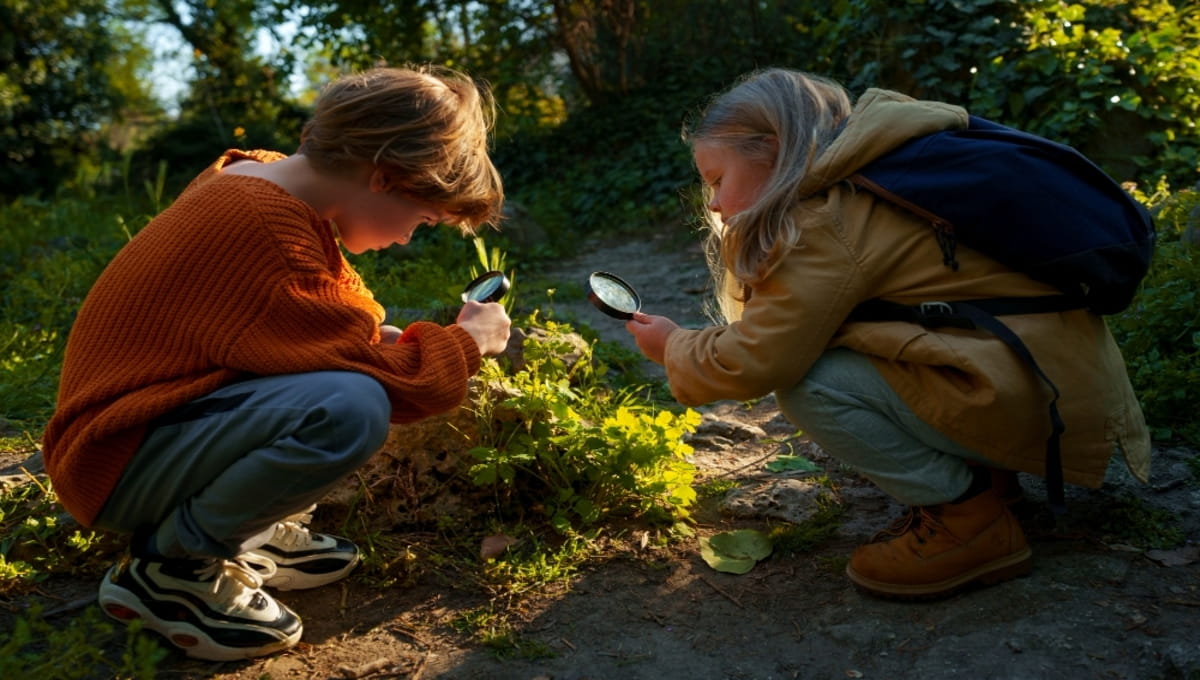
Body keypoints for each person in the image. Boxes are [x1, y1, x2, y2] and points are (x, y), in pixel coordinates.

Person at [41, 65, 511, 660]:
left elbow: (311, 332)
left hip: (133, 440)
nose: (408, 239)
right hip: (112, 462)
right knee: (351, 407)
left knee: (342, 383)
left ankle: (251, 529)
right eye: (421, 219)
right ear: (384, 177)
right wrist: (467, 343)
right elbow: (405, 386)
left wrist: (372, 341)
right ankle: (174, 570)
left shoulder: (256, 177)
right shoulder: (262, 226)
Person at [625, 68, 1150, 599]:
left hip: (1039, 397)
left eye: (717, 180)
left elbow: (760, 359)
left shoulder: (827, 219)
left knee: (812, 385)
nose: (712, 204)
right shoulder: (891, 165)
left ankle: (969, 523)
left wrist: (673, 345)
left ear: (773, 152)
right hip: (1057, 383)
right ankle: (990, 480)